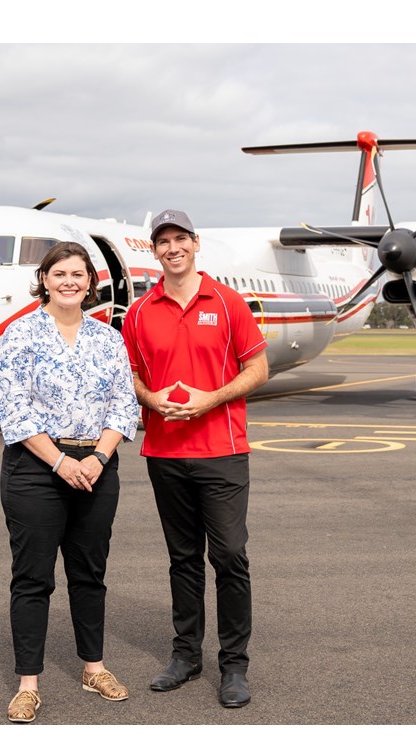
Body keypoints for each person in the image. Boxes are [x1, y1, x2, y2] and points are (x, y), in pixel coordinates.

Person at [121, 209, 269, 708]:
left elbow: (259, 368)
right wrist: (149, 397)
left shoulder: (227, 303)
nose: (172, 248)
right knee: (182, 559)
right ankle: (186, 655)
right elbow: (133, 377)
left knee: (228, 555)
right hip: (163, 452)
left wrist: (212, 398)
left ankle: (234, 665)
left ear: (195, 243)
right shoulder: (140, 312)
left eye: (179, 238)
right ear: (155, 251)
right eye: (163, 241)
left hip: (222, 451)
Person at [0, 241, 140, 723]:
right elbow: (13, 410)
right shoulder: (20, 335)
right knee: (33, 577)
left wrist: (99, 456)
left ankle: (93, 667)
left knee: (89, 573)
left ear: (89, 283)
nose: (69, 282)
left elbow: (124, 404)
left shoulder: (108, 338)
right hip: (37, 465)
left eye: (78, 274)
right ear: (45, 279)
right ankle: (28, 684)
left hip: (96, 464)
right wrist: (60, 463)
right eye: (60, 274)